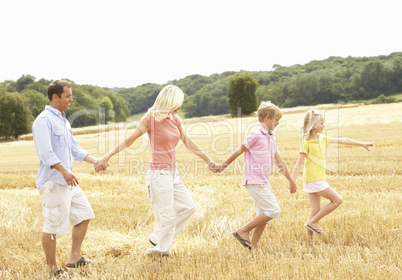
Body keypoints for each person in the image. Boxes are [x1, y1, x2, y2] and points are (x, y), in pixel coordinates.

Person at [94, 85, 217, 256]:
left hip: (173, 174)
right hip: (158, 175)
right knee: (167, 216)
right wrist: (106, 157)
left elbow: (188, 142)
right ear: (169, 102)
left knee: (189, 207)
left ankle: (159, 236)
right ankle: (160, 250)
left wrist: (209, 161)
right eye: (177, 103)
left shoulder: (175, 119)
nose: (179, 107)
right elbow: (129, 140)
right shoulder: (150, 119)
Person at [32, 80, 98, 277]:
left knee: (84, 215)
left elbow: (74, 148)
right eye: (68, 96)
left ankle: (74, 258)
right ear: (55, 97)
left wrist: (95, 161)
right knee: (52, 227)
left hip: (68, 181)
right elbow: (45, 153)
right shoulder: (44, 120)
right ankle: (52, 269)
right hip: (54, 181)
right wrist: (64, 170)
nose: (71, 99)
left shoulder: (63, 120)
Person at [214, 102, 297, 249]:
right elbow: (238, 151)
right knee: (273, 210)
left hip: (263, 181)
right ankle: (243, 230)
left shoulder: (271, 137)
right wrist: (222, 166)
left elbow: (279, 162)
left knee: (263, 216)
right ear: (267, 118)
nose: (278, 123)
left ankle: (253, 245)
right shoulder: (255, 135)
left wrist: (291, 181)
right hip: (254, 180)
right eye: (276, 120)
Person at [291, 109, 372, 238]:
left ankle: (309, 239)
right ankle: (313, 222)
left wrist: (361, 144)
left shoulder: (322, 139)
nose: (324, 126)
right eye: (321, 123)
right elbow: (298, 163)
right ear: (312, 125)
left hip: (314, 180)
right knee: (337, 200)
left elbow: (343, 139)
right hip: (314, 180)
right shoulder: (306, 143)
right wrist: (292, 181)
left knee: (315, 210)